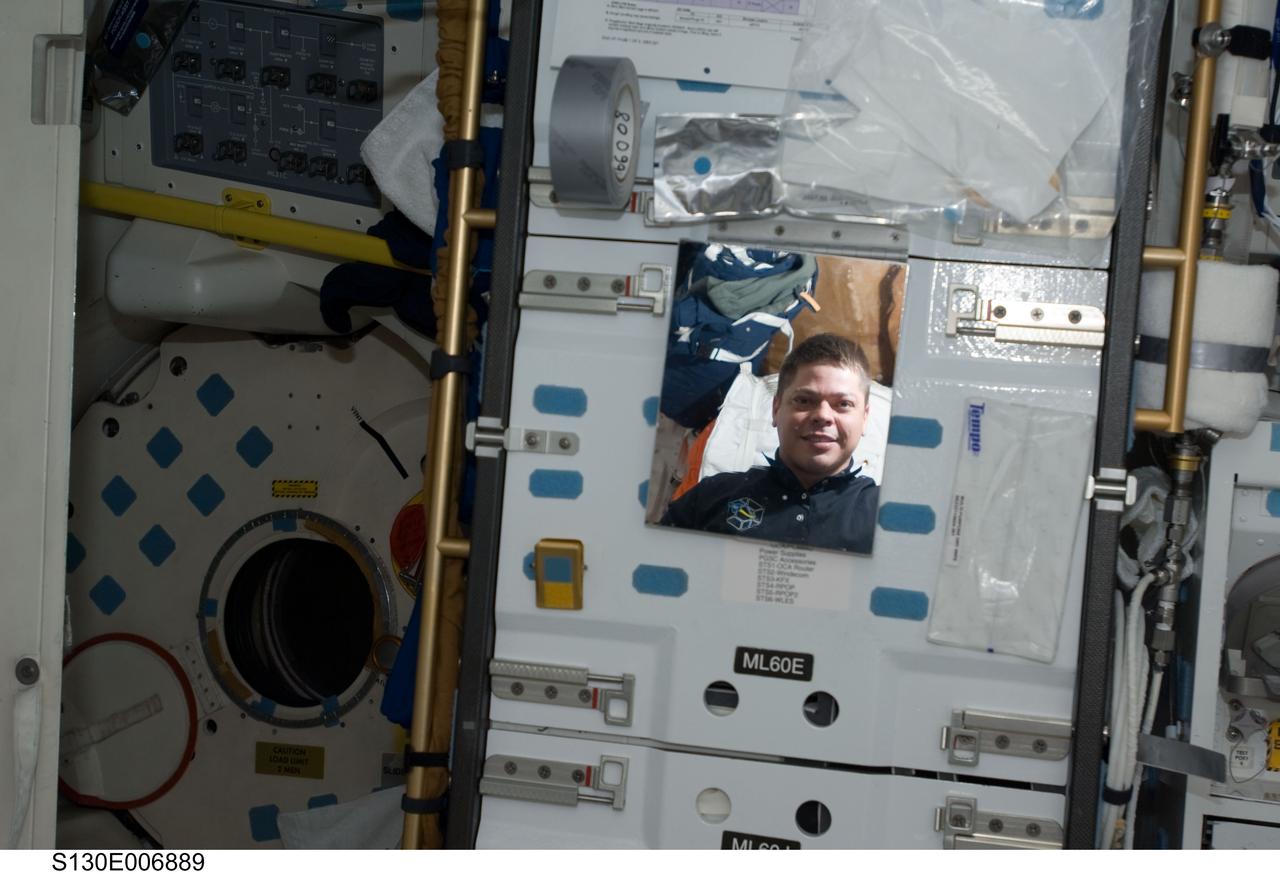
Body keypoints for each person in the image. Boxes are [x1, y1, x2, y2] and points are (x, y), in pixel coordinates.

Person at [660, 333, 879, 554]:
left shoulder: (887, 519)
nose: (823, 415)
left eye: (843, 404)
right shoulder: (711, 497)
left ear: (864, 418)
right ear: (776, 410)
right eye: (804, 400)